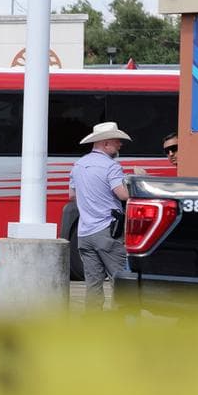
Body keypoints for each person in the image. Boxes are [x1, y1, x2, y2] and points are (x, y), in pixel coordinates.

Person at [69, 121, 132, 311]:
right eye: (117, 141)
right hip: (107, 232)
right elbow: (123, 195)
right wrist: (137, 180)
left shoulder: (78, 165)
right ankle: (120, 321)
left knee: (93, 285)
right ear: (105, 143)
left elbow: (71, 195)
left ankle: (93, 323)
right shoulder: (111, 166)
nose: (120, 145)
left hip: (84, 234)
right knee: (120, 282)